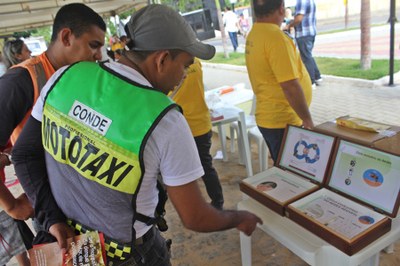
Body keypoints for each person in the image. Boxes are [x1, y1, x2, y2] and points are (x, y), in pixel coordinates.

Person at [13, 4, 262, 265]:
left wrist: (51, 217)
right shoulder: (165, 121)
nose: (185, 75)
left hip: (66, 245)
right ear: (162, 59)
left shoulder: (64, 77)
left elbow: (25, 154)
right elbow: (195, 217)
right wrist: (238, 217)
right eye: (186, 65)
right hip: (127, 255)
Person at [0, 3, 105, 265]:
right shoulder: (22, 81)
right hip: (49, 208)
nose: (99, 55)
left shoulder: (80, 77)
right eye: (93, 45)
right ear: (67, 37)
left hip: (84, 198)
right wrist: (12, 205)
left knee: (91, 260)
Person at [245, 0, 314, 165]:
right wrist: (307, 119)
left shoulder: (255, 33)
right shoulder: (276, 37)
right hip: (283, 121)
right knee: (292, 173)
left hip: (270, 118)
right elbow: (290, 86)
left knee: (283, 168)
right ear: (282, 9)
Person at [170, 58, 224, 210]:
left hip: (181, 127)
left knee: (182, 171)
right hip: (201, 123)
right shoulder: (195, 61)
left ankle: (192, 206)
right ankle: (218, 203)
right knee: (206, 165)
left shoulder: (168, 68)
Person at [286, 0, 322, 86]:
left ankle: (311, 81)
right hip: (310, 32)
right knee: (308, 55)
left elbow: (299, 19)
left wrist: (288, 26)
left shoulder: (301, 1)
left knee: (306, 57)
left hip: (304, 33)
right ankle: (317, 76)